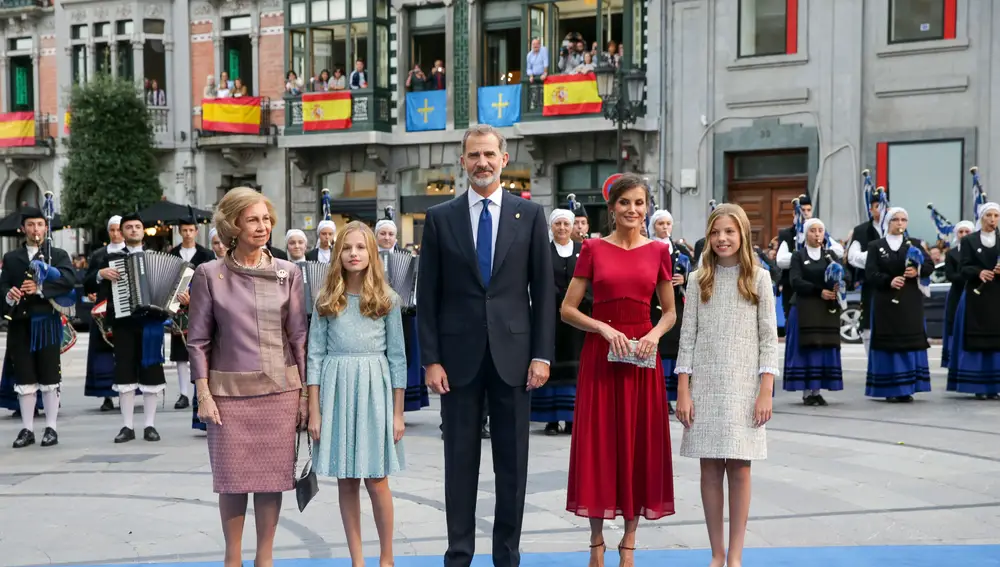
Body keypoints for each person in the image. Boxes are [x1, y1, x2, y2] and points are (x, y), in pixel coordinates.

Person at [417, 124, 555, 567]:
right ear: (462, 162)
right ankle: (459, 555)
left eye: (489, 155)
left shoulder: (530, 216)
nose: (482, 162)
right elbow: (428, 296)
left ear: (504, 159)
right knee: (460, 465)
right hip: (457, 363)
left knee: (512, 467)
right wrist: (431, 360)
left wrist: (541, 353)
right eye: (473, 155)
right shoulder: (440, 219)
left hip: (515, 360)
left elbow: (544, 291)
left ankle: (507, 556)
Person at [186, 187, 308, 567]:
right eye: (253, 219)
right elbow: (198, 340)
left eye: (267, 219)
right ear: (233, 225)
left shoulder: (290, 273)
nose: (262, 227)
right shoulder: (209, 274)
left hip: (280, 393)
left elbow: (299, 337)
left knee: (273, 481)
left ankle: (265, 559)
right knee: (232, 480)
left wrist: (305, 395)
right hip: (228, 397)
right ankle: (232, 558)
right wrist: (203, 393)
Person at [561, 175, 676, 567]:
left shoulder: (660, 250)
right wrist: (603, 327)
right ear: (611, 208)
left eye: (639, 203)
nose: (632, 210)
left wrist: (655, 334)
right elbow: (568, 309)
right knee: (599, 446)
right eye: (625, 203)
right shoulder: (592, 248)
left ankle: (629, 542)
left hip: (643, 358)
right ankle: (596, 543)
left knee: (637, 445)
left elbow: (670, 311)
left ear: (647, 207)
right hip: (602, 356)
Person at [674, 203, 779, 567]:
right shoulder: (697, 278)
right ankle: (716, 553)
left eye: (729, 232)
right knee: (709, 467)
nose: (722, 238)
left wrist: (765, 388)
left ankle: (735, 555)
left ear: (743, 235)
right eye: (716, 232)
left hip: (745, 385)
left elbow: (769, 337)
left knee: (740, 466)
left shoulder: (760, 279)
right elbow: (687, 338)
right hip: (704, 383)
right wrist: (683, 389)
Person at [306, 221, 407, 567]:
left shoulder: (387, 299)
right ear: (337, 253)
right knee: (346, 481)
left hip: (374, 390)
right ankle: (357, 560)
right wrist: (315, 410)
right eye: (347, 248)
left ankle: (387, 557)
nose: (353, 253)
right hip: (336, 389)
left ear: (372, 253)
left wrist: (397, 413)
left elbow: (398, 359)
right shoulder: (325, 299)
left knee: (377, 479)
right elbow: (314, 356)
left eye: (361, 247)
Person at [1, 207, 76, 448]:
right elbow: (2, 287)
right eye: (31, 225)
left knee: (49, 377)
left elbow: (68, 281)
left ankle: (51, 428)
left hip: (47, 323)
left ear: (46, 228)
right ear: (23, 229)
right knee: (25, 378)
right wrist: (9, 296)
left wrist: (41, 289)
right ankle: (27, 429)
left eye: (40, 225)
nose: (36, 230)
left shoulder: (58, 254)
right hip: (20, 326)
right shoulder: (12, 258)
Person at [94, 212, 169, 443]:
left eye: (137, 226)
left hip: (151, 324)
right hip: (124, 323)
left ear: (143, 231)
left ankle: (149, 425)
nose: (134, 230)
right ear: (122, 232)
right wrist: (100, 274)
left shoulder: (157, 257)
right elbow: (90, 282)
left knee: (151, 374)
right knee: (124, 373)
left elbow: (171, 288)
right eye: (129, 227)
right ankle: (127, 426)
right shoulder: (110, 259)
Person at [863, 207, 934, 402]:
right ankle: (890, 388)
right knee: (889, 346)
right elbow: (870, 273)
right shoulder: (876, 246)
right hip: (886, 302)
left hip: (910, 301)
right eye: (896, 219)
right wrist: (888, 280)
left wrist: (917, 271)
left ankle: (908, 387)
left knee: (908, 343)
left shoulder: (915, 244)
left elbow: (930, 265)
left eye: (904, 219)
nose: (900, 223)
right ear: (888, 222)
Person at [531, 208, 587, 435]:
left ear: (572, 226)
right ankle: (551, 419)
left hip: (577, 318)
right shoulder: (543, 251)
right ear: (551, 227)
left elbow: (589, 279)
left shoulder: (583, 251)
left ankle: (572, 418)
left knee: (575, 366)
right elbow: (537, 280)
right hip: (550, 316)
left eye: (566, 224)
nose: (562, 228)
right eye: (558, 224)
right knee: (550, 364)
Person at [782, 218, 844, 405]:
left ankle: (817, 390)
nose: (817, 234)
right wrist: (819, 291)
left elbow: (844, 274)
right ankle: (806, 391)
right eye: (813, 230)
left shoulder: (830, 255)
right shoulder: (798, 256)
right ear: (806, 234)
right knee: (806, 348)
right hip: (804, 308)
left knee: (821, 348)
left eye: (820, 231)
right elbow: (795, 281)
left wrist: (837, 284)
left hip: (825, 310)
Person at [374, 216, 429, 412]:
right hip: (374, 313)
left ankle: (399, 404)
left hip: (403, 314)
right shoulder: (370, 256)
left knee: (401, 355)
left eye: (391, 234)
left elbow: (414, 283)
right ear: (376, 235)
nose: (387, 238)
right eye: (383, 234)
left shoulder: (405, 255)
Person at [948, 204, 1000, 400]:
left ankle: (995, 385)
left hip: (997, 296)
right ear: (981, 217)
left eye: (996, 215)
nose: (993, 219)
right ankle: (979, 385)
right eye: (989, 215)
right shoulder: (970, 240)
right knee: (977, 339)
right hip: (976, 296)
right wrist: (979, 272)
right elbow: (963, 267)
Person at [167, 218, 214, 411]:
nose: (187, 233)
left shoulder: (206, 254)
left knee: (200, 349)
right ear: (180, 231)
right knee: (180, 353)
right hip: (179, 307)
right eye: (184, 230)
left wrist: (194, 296)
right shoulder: (173, 253)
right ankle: (183, 393)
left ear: (196, 232)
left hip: (200, 305)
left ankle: (199, 389)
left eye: (191, 230)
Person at [775, 194, 844, 319]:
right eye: (802, 210)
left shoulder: (822, 233)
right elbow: (780, 260)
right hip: (793, 287)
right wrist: (802, 256)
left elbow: (838, 251)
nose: (805, 213)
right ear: (794, 213)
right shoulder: (787, 234)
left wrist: (817, 252)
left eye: (808, 210)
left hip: (819, 286)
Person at [83, 215, 126, 412]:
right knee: (103, 355)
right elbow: (87, 282)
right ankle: (106, 395)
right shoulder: (99, 254)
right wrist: (100, 274)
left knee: (125, 352)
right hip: (103, 311)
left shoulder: (131, 253)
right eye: (112, 230)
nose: (116, 234)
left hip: (125, 310)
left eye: (119, 230)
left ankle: (128, 392)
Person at [649, 209, 686, 413]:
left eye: (668, 224)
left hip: (676, 306)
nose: (664, 227)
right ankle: (658, 396)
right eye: (660, 224)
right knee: (659, 349)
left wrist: (684, 279)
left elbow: (696, 269)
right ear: (653, 226)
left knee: (674, 349)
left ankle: (672, 396)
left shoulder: (679, 249)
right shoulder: (648, 247)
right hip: (654, 304)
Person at [847, 188, 886, 354]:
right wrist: (875, 258)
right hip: (871, 283)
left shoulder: (896, 227)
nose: (881, 210)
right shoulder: (861, 230)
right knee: (869, 322)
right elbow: (852, 257)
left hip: (891, 283)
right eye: (877, 206)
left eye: (884, 206)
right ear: (871, 209)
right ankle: (871, 359)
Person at [941, 220, 974, 368]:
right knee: (955, 324)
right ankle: (955, 360)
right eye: (961, 232)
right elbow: (950, 275)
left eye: (967, 232)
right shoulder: (952, 253)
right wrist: (969, 276)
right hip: (958, 293)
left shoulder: (978, 250)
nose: (964, 235)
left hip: (975, 293)